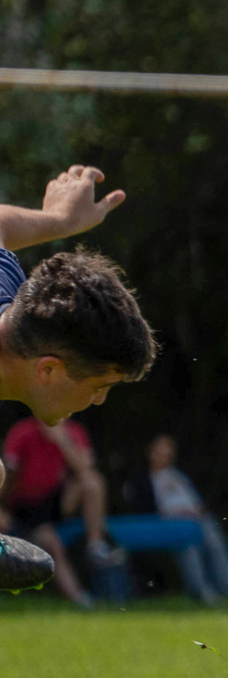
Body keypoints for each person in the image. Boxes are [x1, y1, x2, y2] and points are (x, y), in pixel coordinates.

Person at [0, 165, 156, 599]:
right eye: (98, 386)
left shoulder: (7, 293)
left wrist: (59, 222)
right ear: (48, 370)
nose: (100, 401)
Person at [0, 416, 121, 603]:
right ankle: (81, 599)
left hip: (57, 500)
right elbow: (8, 476)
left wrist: (62, 439)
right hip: (25, 506)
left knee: (91, 481)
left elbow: (84, 467)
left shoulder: (73, 431)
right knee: (51, 544)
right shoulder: (22, 431)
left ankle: (95, 545)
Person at [124, 433, 228, 606]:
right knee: (188, 542)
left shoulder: (178, 477)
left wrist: (196, 512)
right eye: (159, 452)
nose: (162, 457)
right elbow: (144, 510)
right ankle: (201, 590)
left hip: (194, 521)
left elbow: (197, 503)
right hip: (167, 523)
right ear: (150, 452)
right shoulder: (142, 481)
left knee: (212, 539)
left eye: (167, 453)